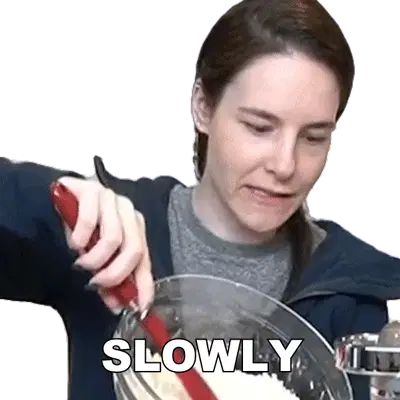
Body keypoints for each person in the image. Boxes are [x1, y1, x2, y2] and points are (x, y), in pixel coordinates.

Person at [0, 0, 399, 399]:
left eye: (313, 137)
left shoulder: (358, 296)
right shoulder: (106, 237)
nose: (285, 165)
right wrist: (47, 196)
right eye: (259, 127)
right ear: (203, 107)